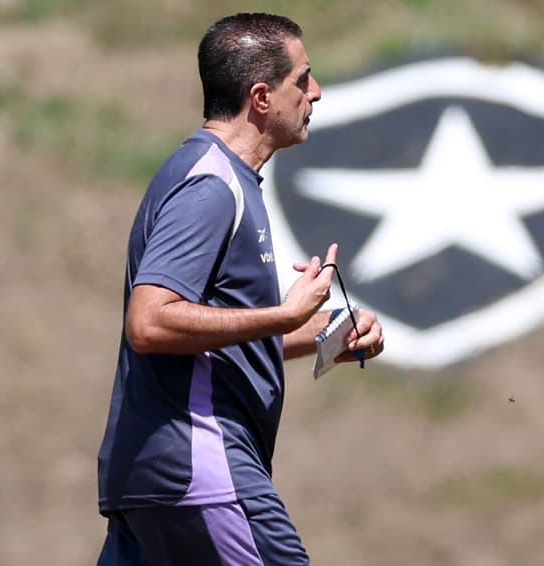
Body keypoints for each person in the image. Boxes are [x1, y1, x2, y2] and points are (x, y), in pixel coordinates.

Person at [96, 12, 384, 566]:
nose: (315, 93)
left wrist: (328, 335)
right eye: (302, 79)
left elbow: (211, 341)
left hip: (152, 478)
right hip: (200, 470)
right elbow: (150, 322)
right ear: (260, 96)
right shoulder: (213, 184)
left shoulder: (222, 179)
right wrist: (282, 314)